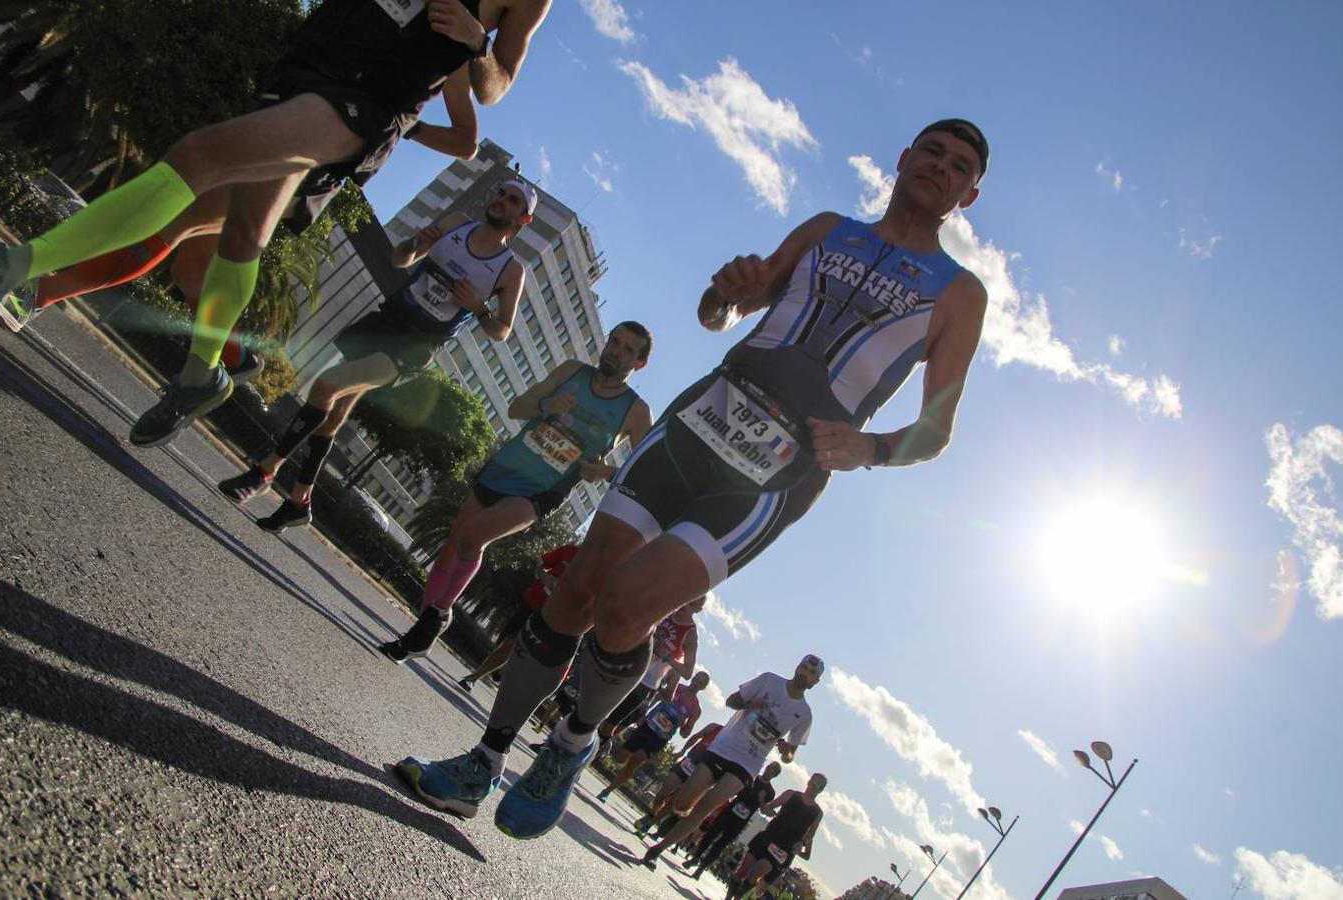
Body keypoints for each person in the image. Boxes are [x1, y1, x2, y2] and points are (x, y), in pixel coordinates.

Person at [381, 118, 990, 839]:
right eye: (933, 153)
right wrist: (722, 294)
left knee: (625, 605)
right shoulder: (830, 227)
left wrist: (871, 449)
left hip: (776, 471)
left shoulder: (960, 293)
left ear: (968, 196)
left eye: (958, 168)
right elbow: (723, 310)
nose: (940, 170)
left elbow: (936, 431)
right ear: (903, 156)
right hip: (700, 417)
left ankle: (573, 743)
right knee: (578, 586)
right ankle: (482, 761)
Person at [0, 0, 552, 448]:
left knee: (196, 159)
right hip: (309, 69)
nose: (499, 199)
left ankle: (19, 269)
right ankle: (200, 375)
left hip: (362, 106)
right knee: (229, 236)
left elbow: (492, 90)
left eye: (509, 198)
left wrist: (477, 42)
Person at [216, 180, 533, 531]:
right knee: (333, 414)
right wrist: (417, 243)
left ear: (524, 218)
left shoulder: (509, 270)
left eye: (513, 200)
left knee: (326, 384)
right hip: (387, 320)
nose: (501, 201)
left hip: (416, 346)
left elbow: (501, 330)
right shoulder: (457, 222)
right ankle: (298, 502)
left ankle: (265, 470)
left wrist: (479, 308)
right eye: (500, 192)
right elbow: (400, 258)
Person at [378, 322, 654, 667]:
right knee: (453, 548)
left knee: (474, 537)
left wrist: (604, 472)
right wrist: (547, 405)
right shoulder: (572, 372)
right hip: (504, 468)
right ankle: (418, 634)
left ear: (639, 364)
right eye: (615, 341)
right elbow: (516, 408)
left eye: (628, 349)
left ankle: (437, 617)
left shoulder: (635, 411)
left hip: (540, 492)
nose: (616, 351)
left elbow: (644, 475)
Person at [639, 657, 820, 869]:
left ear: (815, 681)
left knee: (704, 808)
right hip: (724, 747)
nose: (804, 673)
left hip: (748, 763)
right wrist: (750, 705)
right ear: (797, 667)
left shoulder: (804, 714)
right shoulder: (769, 681)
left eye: (811, 672)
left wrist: (786, 752)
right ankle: (668, 813)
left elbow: (790, 756)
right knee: (683, 803)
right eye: (803, 667)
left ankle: (657, 850)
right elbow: (731, 701)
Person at [459, 543, 579, 692]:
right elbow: (538, 562)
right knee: (503, 640)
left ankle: (473, 677)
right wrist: (544, 576)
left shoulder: (592, 573)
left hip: (547, 616)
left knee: (511, 643)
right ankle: (499, 668)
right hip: (532, 602)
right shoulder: (570, 550)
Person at [594, 597, 703, 757]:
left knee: (611, 724)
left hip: (646, 683)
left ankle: (594, 753)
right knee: (597, 710)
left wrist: (667, 657)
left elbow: (687, 672)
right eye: (689, 599)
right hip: (629, 666)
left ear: (698, 610)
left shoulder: (690, 634)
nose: (687, 604)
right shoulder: (667, 611)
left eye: (693, 604)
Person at [595, 669, 708, 803]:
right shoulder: (676, 688)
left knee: (636, 760)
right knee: (621, 757)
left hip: (660, 738)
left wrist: (684, 725)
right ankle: (607, 754)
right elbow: (656, 698)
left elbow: (685, 734)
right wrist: (643, 714)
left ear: (702, 687)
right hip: (648, 725)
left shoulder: (696, 709)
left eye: (700, 682)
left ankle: (608, 790)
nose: (696, 683)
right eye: (696, 679)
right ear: (693, 678)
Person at [726, 773, 826, 900]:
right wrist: (766, 808)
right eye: (812, 781)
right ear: (808, 781)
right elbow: (770, 806)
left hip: (783, 849)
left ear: (820, 790)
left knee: (755, 873)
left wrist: (802, 842)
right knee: (743, 869)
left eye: (817, 784)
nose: (813, 785)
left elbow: (811, 833)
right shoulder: (791, 794)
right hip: (768, 836)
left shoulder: (817, 812)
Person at [686, 761, 781, 880]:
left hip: (742, 819)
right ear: (766, 767)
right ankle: (695, 858)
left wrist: (761, 800)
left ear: (774, 776)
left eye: (773, 772)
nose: (769, 772)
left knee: (721, 843)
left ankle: (701, 869)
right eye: (770, 768)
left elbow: (763, 810)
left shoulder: (770, 792)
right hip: (731, 809)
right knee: (711, 833)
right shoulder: (752, 777)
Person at [632, 720, 723, 838]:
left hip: (701, 773)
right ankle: (652, 814)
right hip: (689, 762)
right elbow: (696, 737)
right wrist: (683, 751)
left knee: (674, 801)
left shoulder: (733, 746)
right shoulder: (715, 727)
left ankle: (649, 824)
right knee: (663, 793)